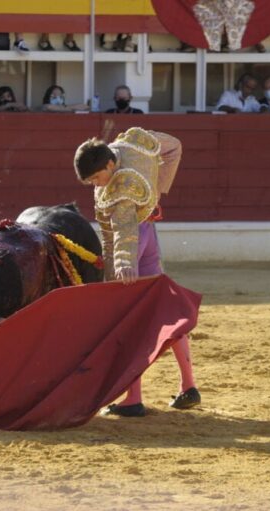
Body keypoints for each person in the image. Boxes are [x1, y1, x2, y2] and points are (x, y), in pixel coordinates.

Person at [73, 128, 201, 417]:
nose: (96, 184)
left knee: (127, 319)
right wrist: (157, 189)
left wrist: (123, 262)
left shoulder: (121, 187)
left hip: (133, 244)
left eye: (96, 178)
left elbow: (124, 229)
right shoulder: (132, 142)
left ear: (108, 165)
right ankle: (188, 385)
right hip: (150, 234)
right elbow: (174, 146)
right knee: (163, 310)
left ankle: (133, 397)